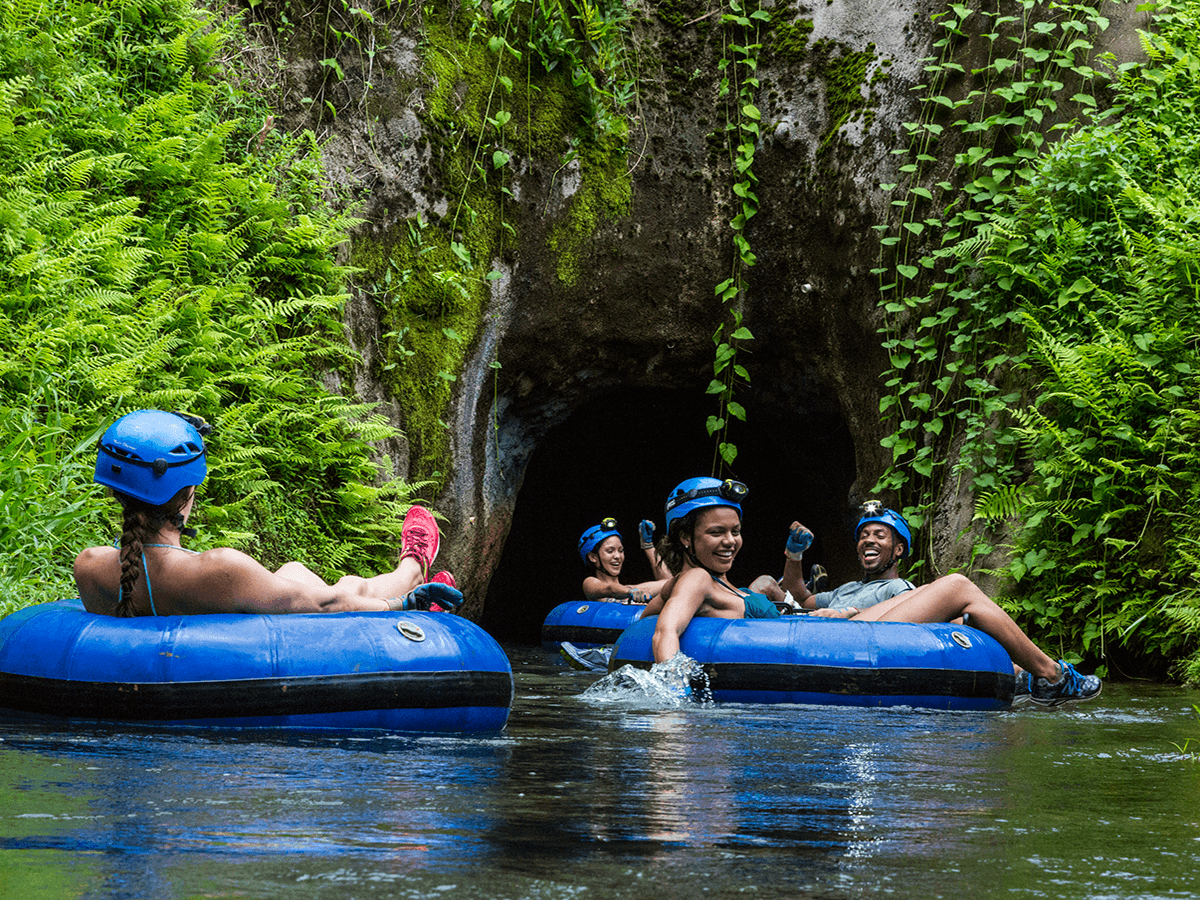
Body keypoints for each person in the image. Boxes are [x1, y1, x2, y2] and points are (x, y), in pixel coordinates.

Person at [652, 483, 1101, 707]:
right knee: (959, 586)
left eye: (735, 531)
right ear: (687, 538)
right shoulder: (696, 580)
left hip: (827, 629)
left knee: (941, 598)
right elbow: (666, 628)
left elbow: (651, 608)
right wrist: (675, 695)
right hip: (828, 643)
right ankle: (1051, 677)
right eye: (716, 533)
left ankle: (1028, 676)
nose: (730, 541)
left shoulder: (713, 579)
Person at [73, 409, 463, 617]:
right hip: (256, 634)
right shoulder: (221, 569)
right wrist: (403, 606)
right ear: (187, 495)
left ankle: (411, 571)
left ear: (115, 494)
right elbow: (327, 607)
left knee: (293, 571)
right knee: (344, 587)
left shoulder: (89, 565)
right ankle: (411, 571)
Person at [577, 517, 671, 603]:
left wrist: (648, 545)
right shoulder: (590, 583)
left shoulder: (632, 589)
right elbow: (610, 589)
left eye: (621, 550)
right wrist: (631, 592)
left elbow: (670, 582)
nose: (618, 556)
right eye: (610, 551)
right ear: (593, 557)